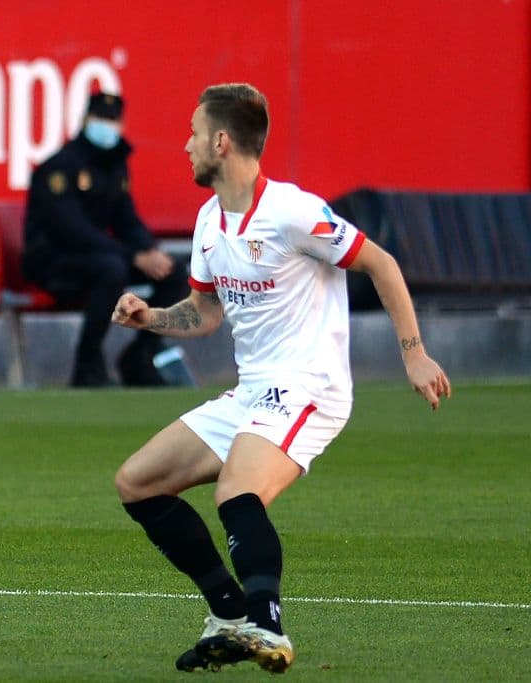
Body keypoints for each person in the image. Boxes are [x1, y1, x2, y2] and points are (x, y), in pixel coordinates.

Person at [111, 83, 450, 674]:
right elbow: (207, 310)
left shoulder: (292, 211)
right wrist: (151, 318)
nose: (185, 145)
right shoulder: (209, 219)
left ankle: (267, 626)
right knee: (137, 483)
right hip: (253, 391)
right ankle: (227, 612)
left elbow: (381, 262)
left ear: (221, 141)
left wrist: (414, 353)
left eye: (193, 133)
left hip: (308, 388)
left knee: (237, 491)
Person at [23, 92, 190, 387]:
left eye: (113, 120)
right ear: (85, 120)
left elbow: (127, 220)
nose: (107, 126)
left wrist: (149, 251)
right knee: (111, 269)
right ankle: (87, 365)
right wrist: (133, 256)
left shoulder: (115, 166)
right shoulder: (60, 167)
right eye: (101, 118)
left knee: (173, 272)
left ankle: (140, 357)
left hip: (101, 257)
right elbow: (72, 231)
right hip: (52, 262)